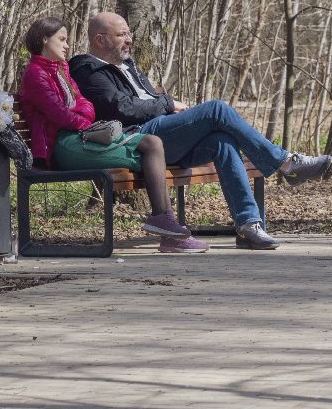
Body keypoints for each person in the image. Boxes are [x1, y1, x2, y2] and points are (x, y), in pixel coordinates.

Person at [70, 11, 332, 250]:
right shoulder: (87, 69)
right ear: (100, 39)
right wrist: (168, 103)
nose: (128, 39)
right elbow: (123, 109)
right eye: (121, 35)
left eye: (129, 33)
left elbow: (144, 101)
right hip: (138, 138)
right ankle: (286, 163)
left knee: (221, 140)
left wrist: (170, 110)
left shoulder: (128, 66)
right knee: (217, 109)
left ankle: (248, 225)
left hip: (162, 137)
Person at [17, 17, 210, 254]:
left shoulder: (62, 71)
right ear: (44, 40)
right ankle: (167, 229)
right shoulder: (36, 75)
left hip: (80, 137)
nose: (67, 45)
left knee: (152, 144)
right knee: (152, 152)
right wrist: (80, 117)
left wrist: (80, 115)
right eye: (62, 39)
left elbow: (86, 106)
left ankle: (165, 224)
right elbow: (59, 115)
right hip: (62, 146)